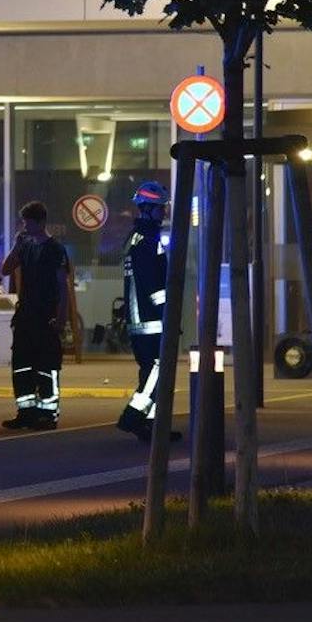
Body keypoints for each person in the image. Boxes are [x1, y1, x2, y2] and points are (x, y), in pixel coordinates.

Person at [116, 182, 181, 443]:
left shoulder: (137, 237)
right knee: (157, 369)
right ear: (147, 209)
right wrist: (168, 312)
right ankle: (132, 417)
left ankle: (154, 426)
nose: (164, 213)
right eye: (160, 208)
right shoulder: (147, 241)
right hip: (150, 320)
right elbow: (153, 282)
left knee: (150, 371)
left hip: (142, 318)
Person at [0, 202, 72, 431]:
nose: (25, 227)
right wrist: (16, 246)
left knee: (47, 366)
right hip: (26, 316)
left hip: (46, 316)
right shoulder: (26, 247)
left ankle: (48, 413)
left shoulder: (55, 249)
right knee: (22, 366)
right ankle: (26, 412)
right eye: (23, 222)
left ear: (40, 222)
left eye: (28, 222)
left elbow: (63, 286)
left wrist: (61, 317)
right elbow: (6, 269)